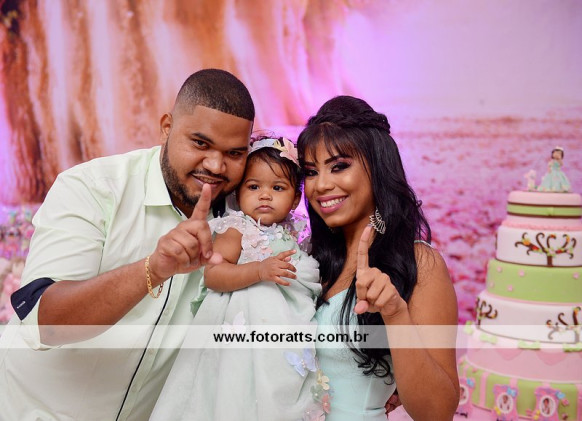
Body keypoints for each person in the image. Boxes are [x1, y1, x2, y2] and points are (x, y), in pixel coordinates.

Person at [0, 69, 255, 421]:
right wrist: (155, 268)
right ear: (166, 127)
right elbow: (48, 323)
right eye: (200, 143)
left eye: (234, 153)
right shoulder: (92, 188)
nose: (215, 165)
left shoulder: (243, 218)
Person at [296, 95, 460, 420]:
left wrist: (395, 314)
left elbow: (437, 412)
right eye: (311, 171)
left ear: (377, 167)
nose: (321, 185)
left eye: (339, 166)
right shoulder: (307, 257)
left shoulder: (418, 264)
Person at [150, 136, 326, 420]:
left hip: (281, 331)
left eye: (277, 188)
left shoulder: (298, 233)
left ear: (295, 198)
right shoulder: (237, 228)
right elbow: (214, 274)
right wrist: (258, 271)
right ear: (238, 192)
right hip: (241, 332)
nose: (265, 195)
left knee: (276, 387)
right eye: (254, 187)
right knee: (236, 389)